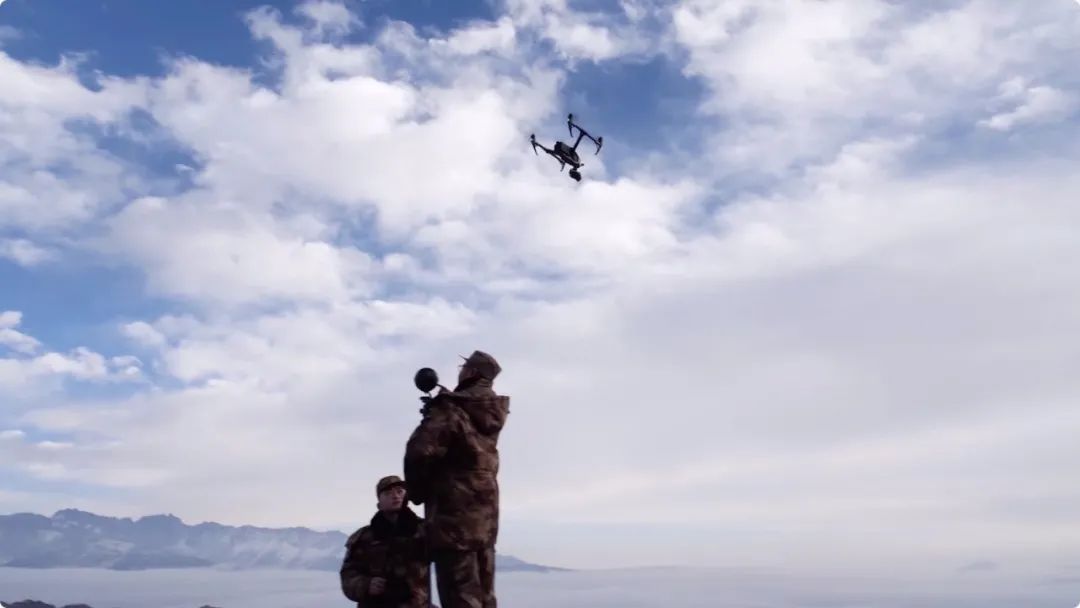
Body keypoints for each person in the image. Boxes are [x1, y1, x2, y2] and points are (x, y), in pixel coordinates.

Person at [404, 350, 510, 608]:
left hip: (452, 522)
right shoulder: (490, 411)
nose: (460, 371)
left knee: (459, 598)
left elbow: (420, 452)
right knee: (484, 598)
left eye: (463, 367)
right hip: (485, 524)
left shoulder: (451, 409)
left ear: (471, 372)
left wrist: (417, 492)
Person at [340, 475, 432, 608]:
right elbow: (348, 575)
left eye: (400, 491)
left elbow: (449, 561)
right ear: (379, 503)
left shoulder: (425, 531)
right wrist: (366, 585)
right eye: (388, 493)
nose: (395, 496)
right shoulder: (364, 537)